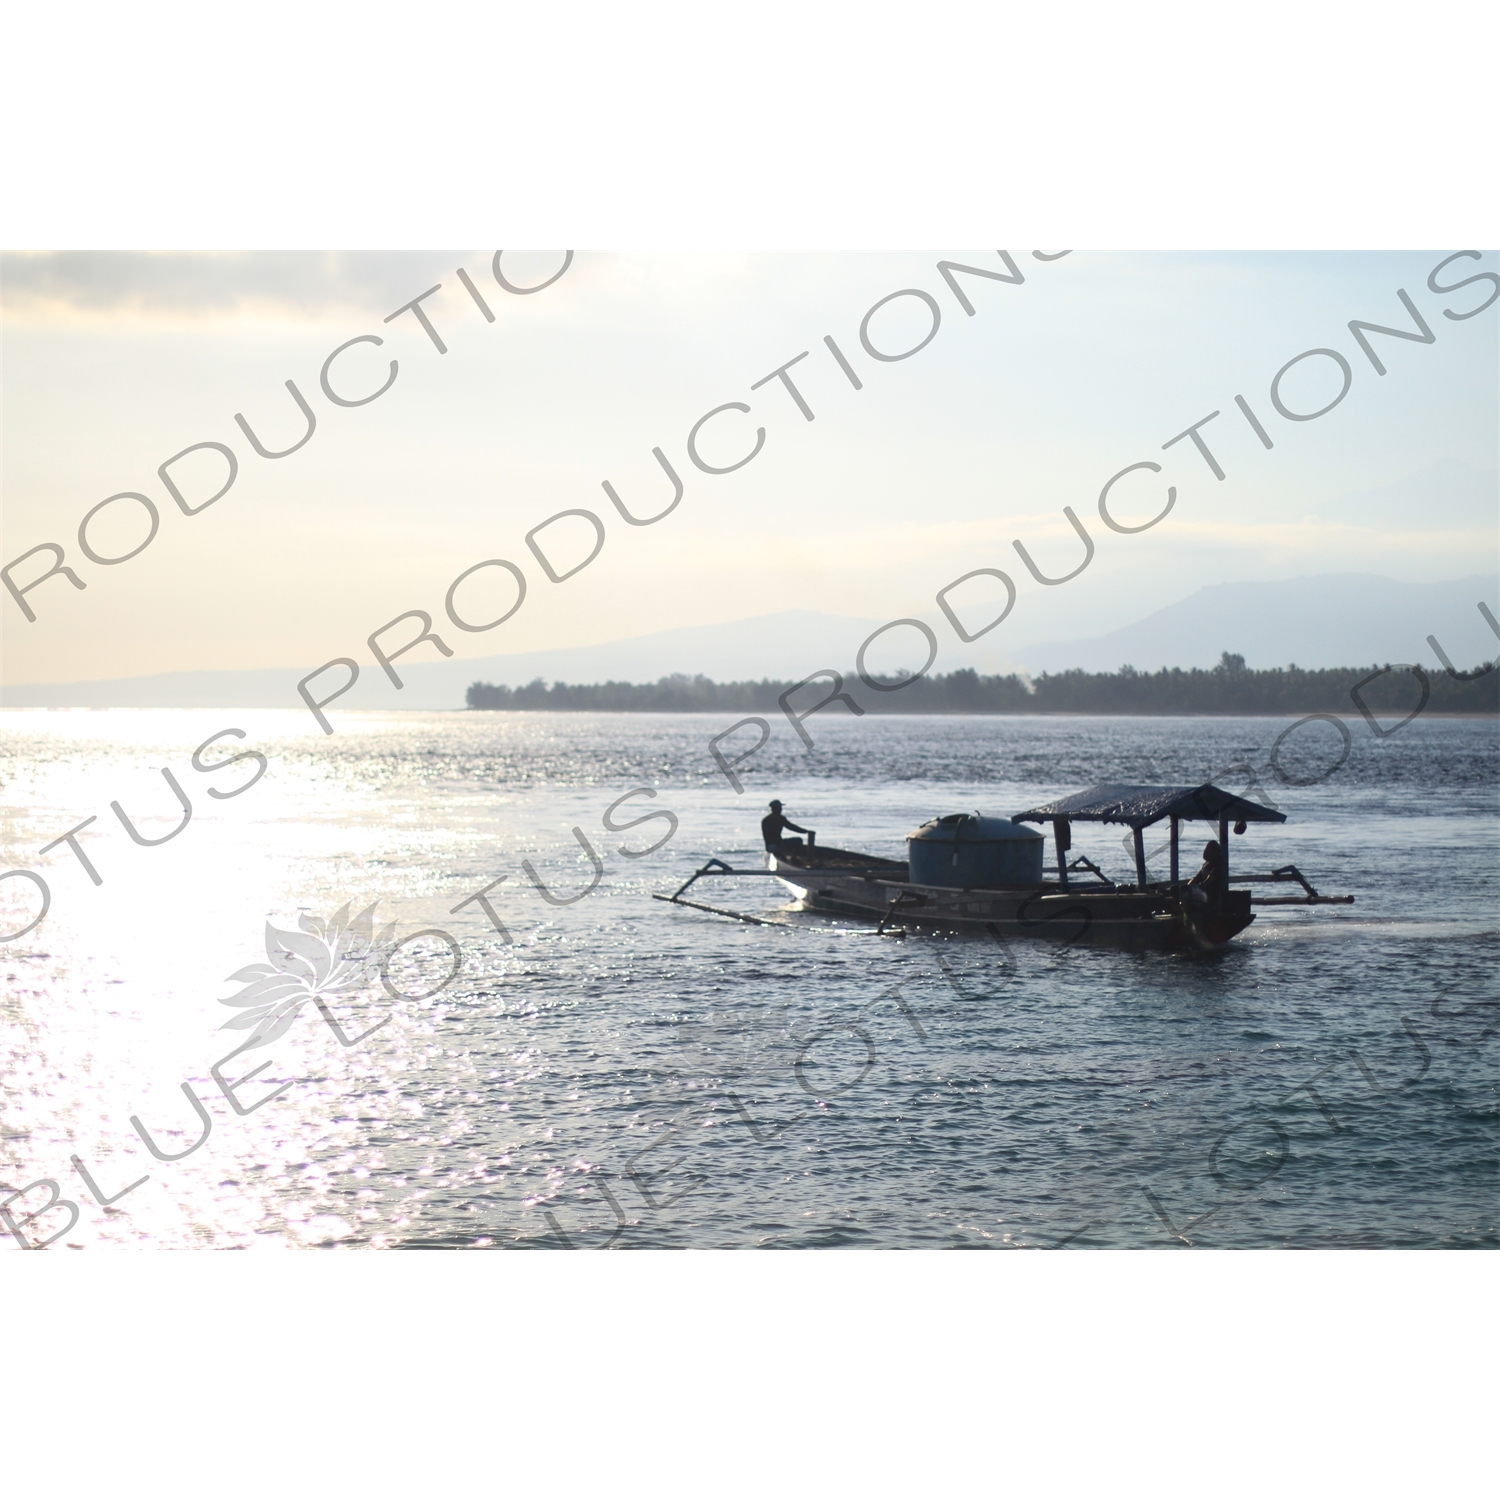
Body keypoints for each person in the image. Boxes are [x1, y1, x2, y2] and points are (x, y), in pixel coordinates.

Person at [1187, 839, 1225, 904]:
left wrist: (1204, 884)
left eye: (1214, 850)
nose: (1211, 852)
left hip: (1213, 893)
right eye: (1210, 850)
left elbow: (1213, 875)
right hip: (1202, 892)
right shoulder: (1206, 865)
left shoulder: (1219, 863)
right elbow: (1197, 877)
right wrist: (1189, 885)